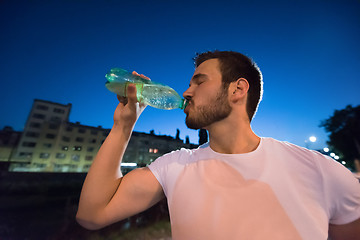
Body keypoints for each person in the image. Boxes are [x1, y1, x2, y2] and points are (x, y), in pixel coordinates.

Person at [76, 50, 360, 239]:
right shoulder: (174, 166)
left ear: (238, 89)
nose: (186, 92)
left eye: (199, 82)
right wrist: (123, 126)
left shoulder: (316, 168)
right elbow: (92, 215)